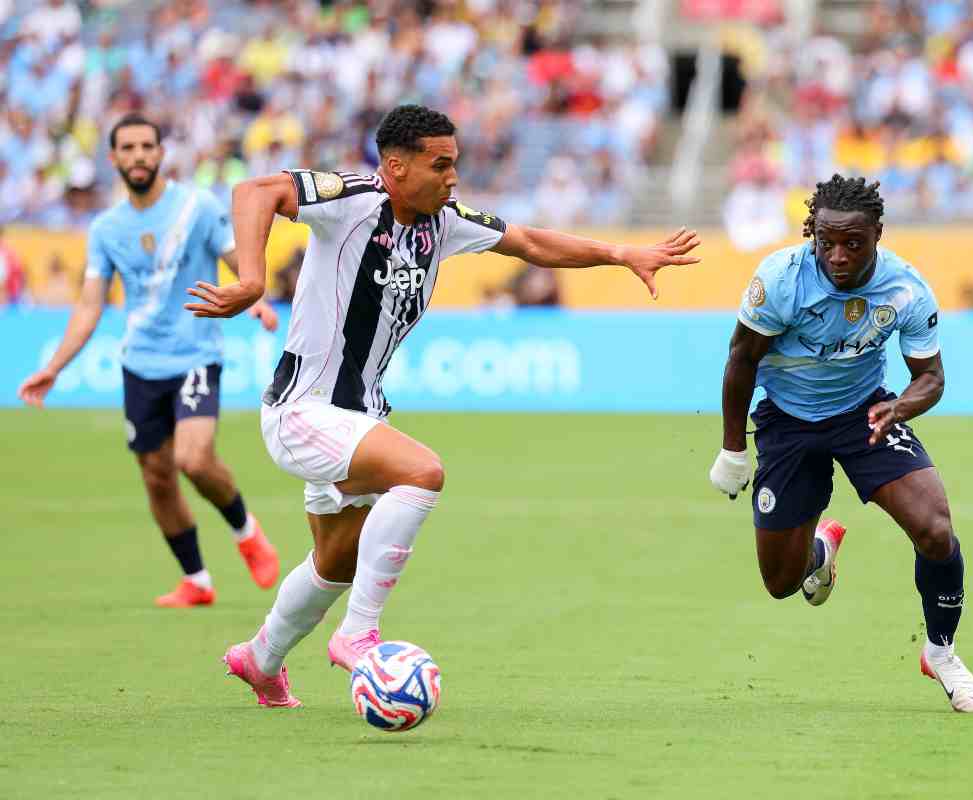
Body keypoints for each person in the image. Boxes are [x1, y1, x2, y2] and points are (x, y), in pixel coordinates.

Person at [184, 104, 700, 708]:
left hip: (359, 415)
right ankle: (357, 634)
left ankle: (260, 660)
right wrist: (251, 280)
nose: (453, 177)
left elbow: (530, 241)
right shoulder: (351, 198)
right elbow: (255, 190)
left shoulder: (444, 222)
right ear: (396, 167)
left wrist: (619, 255)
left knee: (335, 561)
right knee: (422, 473)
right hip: (304, 408)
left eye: (456, 163)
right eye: (441, 164)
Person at [708, 175, 973, 713]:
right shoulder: (780, 279)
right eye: (827, 242)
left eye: (853, 244)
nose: (838, 256)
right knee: (782, 584)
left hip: (866, 415)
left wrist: (899, 407)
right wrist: (733, 450)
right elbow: (741, 360)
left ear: (877, 234)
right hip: (786, 423)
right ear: (811, 232)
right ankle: (821, 549)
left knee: (935, 529)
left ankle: (941, 652)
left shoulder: (905, 288)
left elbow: (931, 377)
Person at [18, 113, 282, 608]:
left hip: (196, 355)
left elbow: (235, 258)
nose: (139, 155)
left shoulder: (196, 207)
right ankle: (197, 581)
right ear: (113, 158)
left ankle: (246, 533)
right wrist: (55, 366)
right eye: (128, 148)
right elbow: (91, 305)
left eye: (147, 146)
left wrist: (256, 300)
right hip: (141, 363)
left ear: (160, 154)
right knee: (157, 476)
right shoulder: (105, 229)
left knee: (194, 459)